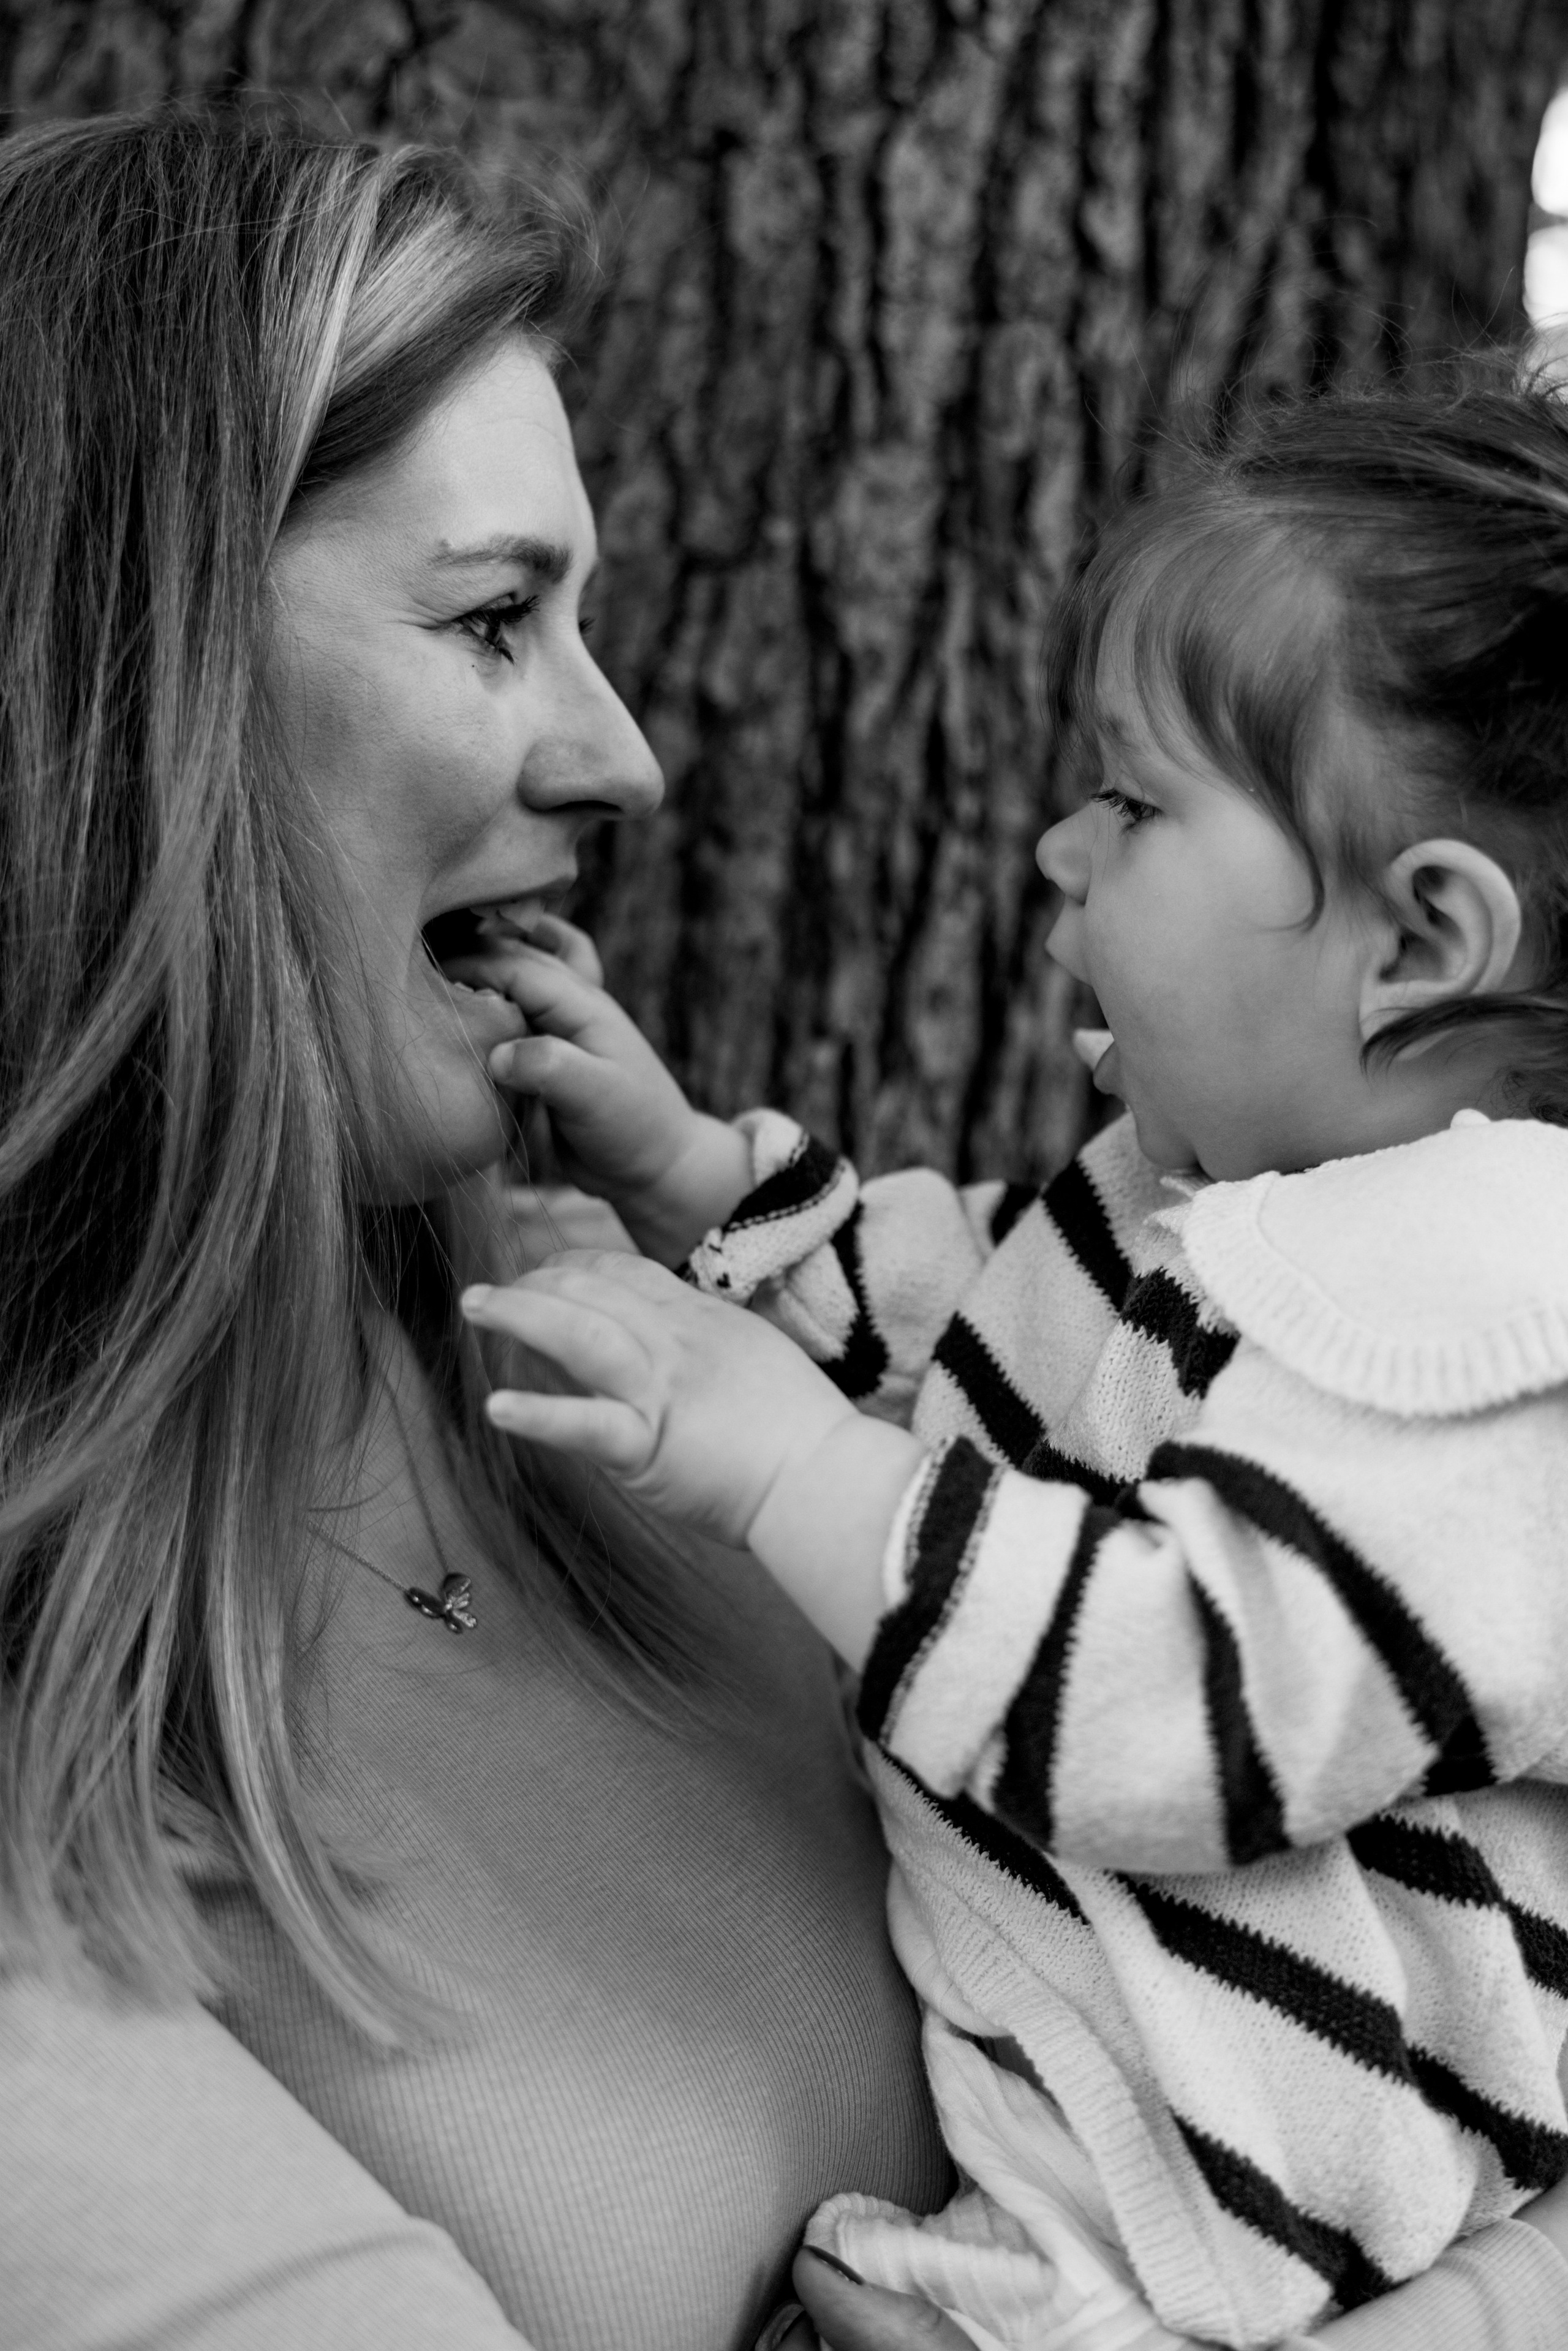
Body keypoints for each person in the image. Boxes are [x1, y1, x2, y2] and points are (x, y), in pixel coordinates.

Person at [1, 103, 1566, 2351]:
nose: (630, 756)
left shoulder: (645, 1372)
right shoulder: (107, 1712)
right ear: (120, 704)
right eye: (494, 618)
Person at [456, 377, 1568, 2349]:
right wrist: (701, 1177)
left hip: (1228, 2260)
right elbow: (988, 1348)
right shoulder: (1227, 1203)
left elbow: (1183, 1703)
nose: (1058, 850)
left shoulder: (1499, 1335)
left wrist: (794, 1473)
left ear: (1418, 942)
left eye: (1136, 804)